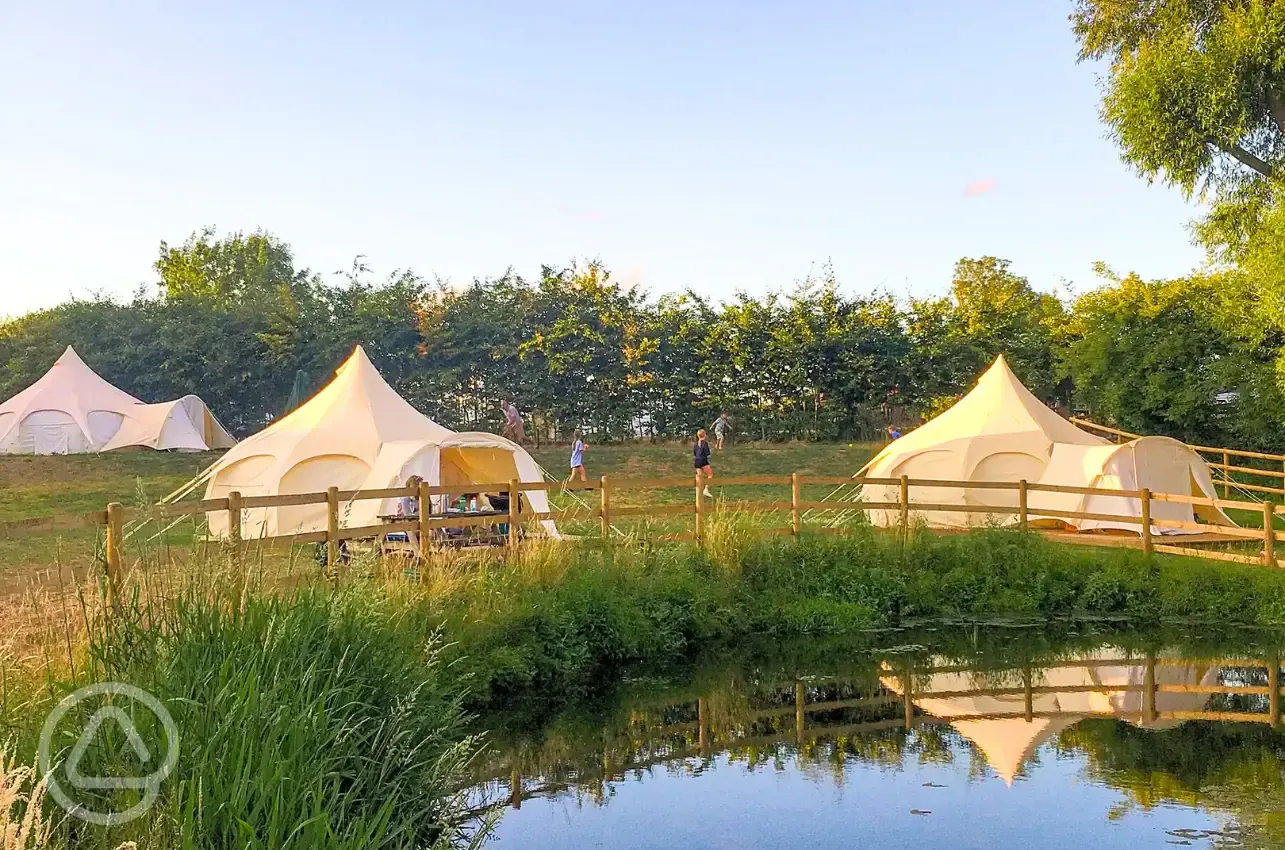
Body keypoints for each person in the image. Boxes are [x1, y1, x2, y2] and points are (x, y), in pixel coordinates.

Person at [694, 428, 713, 497]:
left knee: (700, 477)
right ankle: (706, 489)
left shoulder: (696, 444)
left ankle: (699, 492)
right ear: (704, 435)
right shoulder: (705, 443)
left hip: (697, 461)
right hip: (703, 460)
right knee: (710, 475)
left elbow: (695, 453)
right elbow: (707, 453)